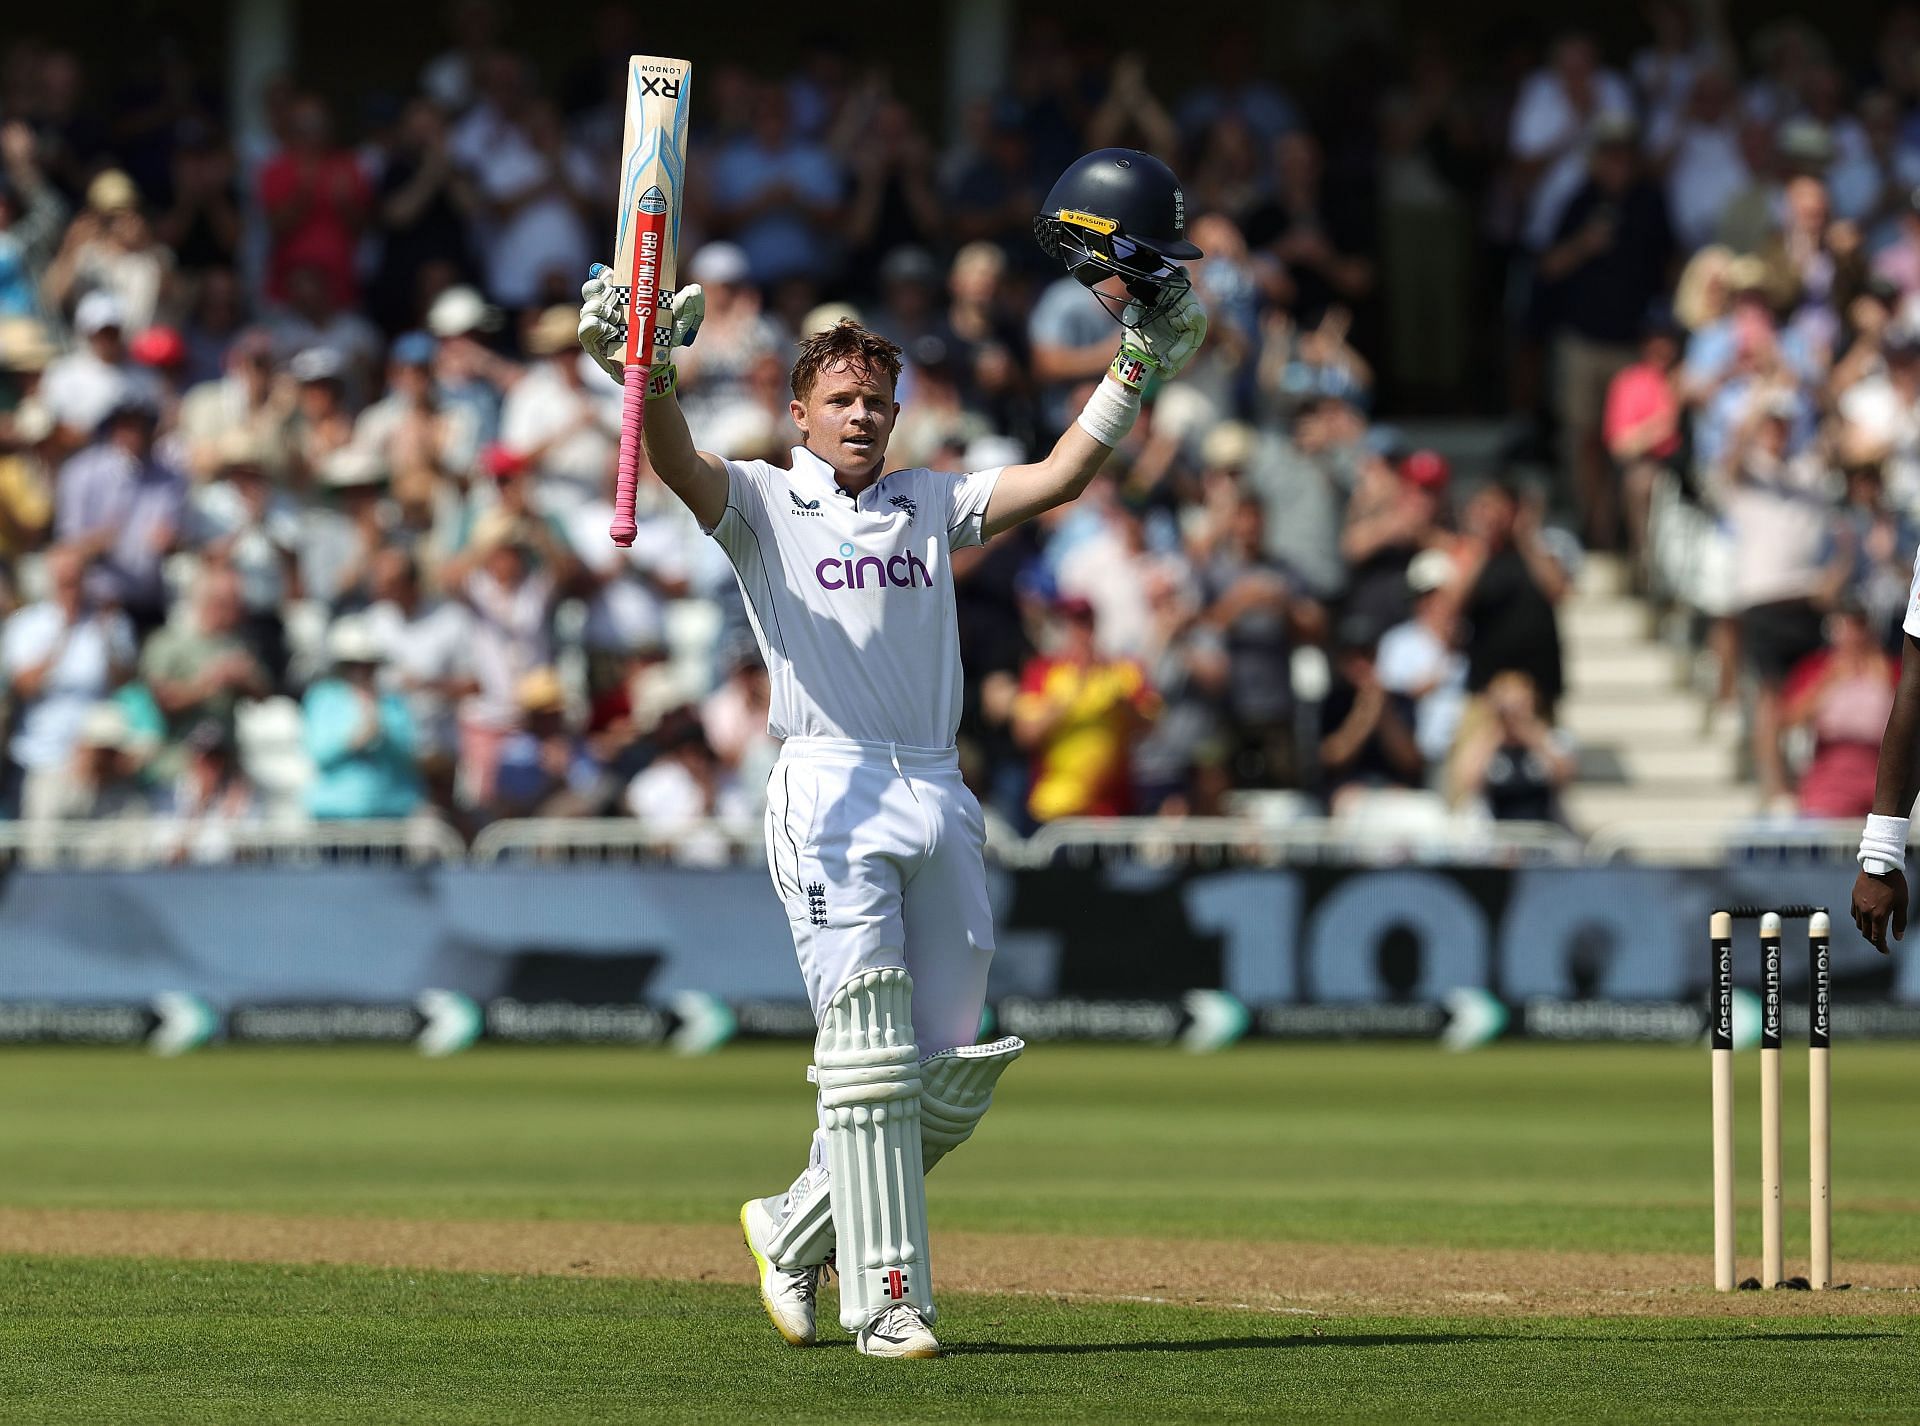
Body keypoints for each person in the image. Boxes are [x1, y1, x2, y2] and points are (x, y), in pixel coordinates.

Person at [575, 145, 1206, 1358]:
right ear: (803, 412)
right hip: (827, 785)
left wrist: (1136, 364)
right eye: (842, 402)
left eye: (878, 401)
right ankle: (887, 1298)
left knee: (949, 1068)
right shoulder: (764, 501)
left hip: (936, 786)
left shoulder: (930, 500)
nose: (862, 417)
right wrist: (643, 368)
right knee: (864, 1050)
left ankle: (792, 1220)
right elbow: (676, 460)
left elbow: (1066, 475)